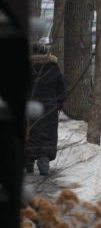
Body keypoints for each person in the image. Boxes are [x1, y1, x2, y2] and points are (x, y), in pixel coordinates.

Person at [26, 45, 65, 175]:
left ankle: (28, 162)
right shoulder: (53, 67)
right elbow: (61, 88)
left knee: (30, 134)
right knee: (47, 136)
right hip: (49, 109)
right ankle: (44, 163)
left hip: (29, 108)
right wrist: (59, 104)